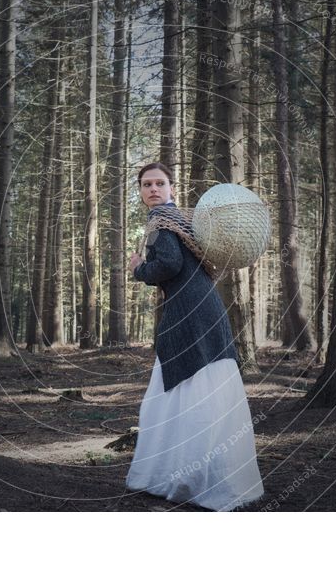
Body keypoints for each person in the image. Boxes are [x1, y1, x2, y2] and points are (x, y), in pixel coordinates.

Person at [124, 162, 264, 511]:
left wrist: (138, 268)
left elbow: (169, 265)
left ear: (171, 188)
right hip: (205, 309)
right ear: (141, 191)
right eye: (146, 185)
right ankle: (210, 475)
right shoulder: (182, 220)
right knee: (204, 389)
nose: (153, 189)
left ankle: (185, 478)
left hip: (189, 314)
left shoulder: (159, 223)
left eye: (159, 183)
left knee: (183, 387)